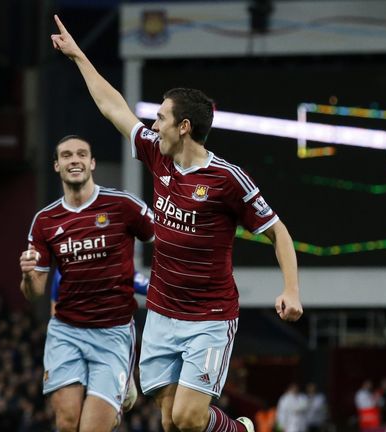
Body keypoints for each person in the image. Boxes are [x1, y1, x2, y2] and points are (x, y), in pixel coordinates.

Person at [51, 14, 303, 432]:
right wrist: (79, 56)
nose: (153, 124)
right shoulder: (157, 154)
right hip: (163, 312)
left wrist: (291, 290)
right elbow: (113, 106)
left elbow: (279, 231)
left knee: (189, 418)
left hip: (210, 315)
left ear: (184, 127)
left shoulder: (226, 180)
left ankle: (241, 430)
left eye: (162, 118)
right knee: (171, 423)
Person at [19, 135, 155, 432]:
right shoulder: (45, 220)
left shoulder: (123, 205)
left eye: (82, 154)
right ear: (57, 165)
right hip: (67, 331)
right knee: (67, 423)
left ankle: (115, 400)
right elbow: (35, 292)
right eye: (67, 155)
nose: (74, 160)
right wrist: (29, 275)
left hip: (114, 333)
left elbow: (163, 237)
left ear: (92, 163)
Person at [50, 269, 149, 316]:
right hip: (74, 333)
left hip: (111, 332)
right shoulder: (62, 271)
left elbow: (149, 287)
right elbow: (55, 307)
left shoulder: (117, 268)